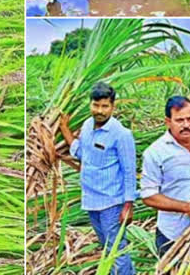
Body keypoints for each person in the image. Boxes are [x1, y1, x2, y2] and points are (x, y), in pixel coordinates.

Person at [60, 82, 136, 275]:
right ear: (90, 104)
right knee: (107, 247)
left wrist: (128, 205)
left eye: (104, 106)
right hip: (91, 201)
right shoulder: (87, 126)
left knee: (116, 250)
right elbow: (81, 153)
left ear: (113, 106)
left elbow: (129, 171)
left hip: (111, 203)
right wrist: (65, 130)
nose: (99, 110)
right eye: (96, 105)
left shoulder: (121, 135)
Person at [140, 96, 190, 258]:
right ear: (167, 121)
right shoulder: (155, 153)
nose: (186, 125)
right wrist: (187, 208)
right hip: (172, 236)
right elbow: (148, 196)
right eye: (180, 120)